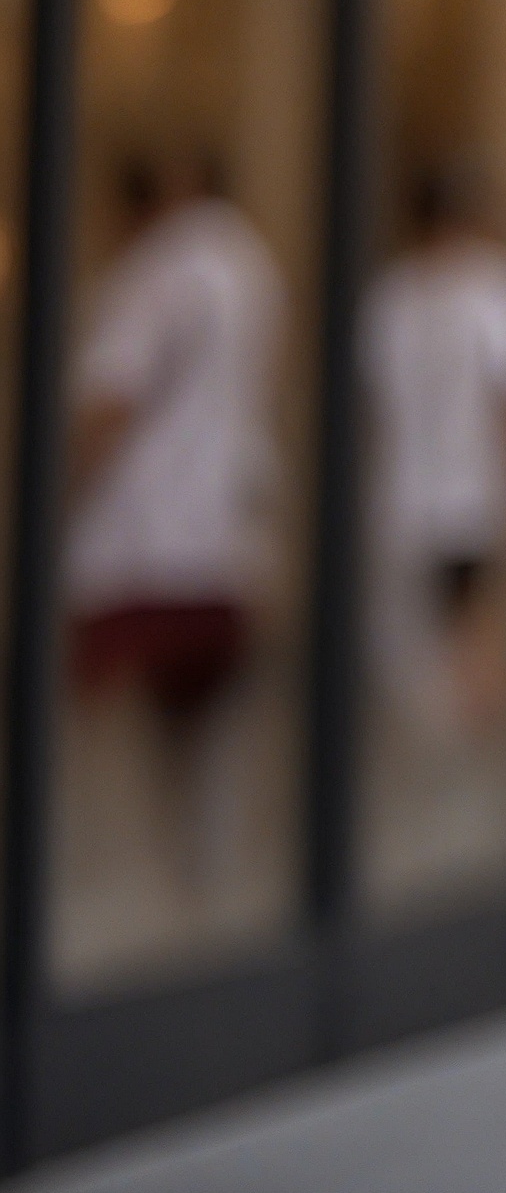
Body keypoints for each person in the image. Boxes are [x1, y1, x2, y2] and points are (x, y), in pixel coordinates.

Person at [66, 153, 284, 881]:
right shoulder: (250, 264)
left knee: (113, 734)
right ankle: (205, 883)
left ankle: (121, 882)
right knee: (209, 733)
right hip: (224, 531)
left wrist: (58, 489)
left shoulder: (155, 271)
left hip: (142, 538)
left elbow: (111, 400)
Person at [359, 163, 506, 746]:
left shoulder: (393, 294)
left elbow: (375, 411)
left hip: (406, 493)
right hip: (473, 490)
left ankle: (441, 752)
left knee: (424, 645)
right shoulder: (498, 288)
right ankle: (465, 757)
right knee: (472, 636)